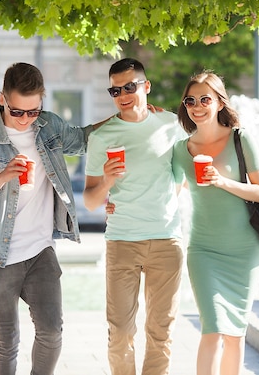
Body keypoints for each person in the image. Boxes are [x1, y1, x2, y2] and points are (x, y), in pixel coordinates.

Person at [0, 62, 108, 375]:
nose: (26, 119)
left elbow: (84, 139)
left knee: (52, 332)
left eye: (34, 111)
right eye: (18, 112)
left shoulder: (49, 126)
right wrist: (3, 176)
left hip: (41, 250)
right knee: (6, 339)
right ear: (2, 99)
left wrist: (127, 117)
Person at [83, 57, 187, 375]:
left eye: (130, 86)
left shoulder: (170, 124)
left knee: (161, 333)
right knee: (121, 333)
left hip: (167, 240)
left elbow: (179, 177)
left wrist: (163, 202)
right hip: (122, 241)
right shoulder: (102, 137)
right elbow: (89, 201)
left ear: (146, 86)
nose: (124, 94)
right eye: (115, 90)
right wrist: (108, 182)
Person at [172, 71, 259, 375]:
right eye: (190, 100)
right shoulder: (180, 150)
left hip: (244, 251)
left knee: (235, 334)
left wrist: (222, 182)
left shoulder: (241, 138)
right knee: (212, 328)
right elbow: (169, 194)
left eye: (205, 99)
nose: (197, 106)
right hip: (204, 251)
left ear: (219, 103)